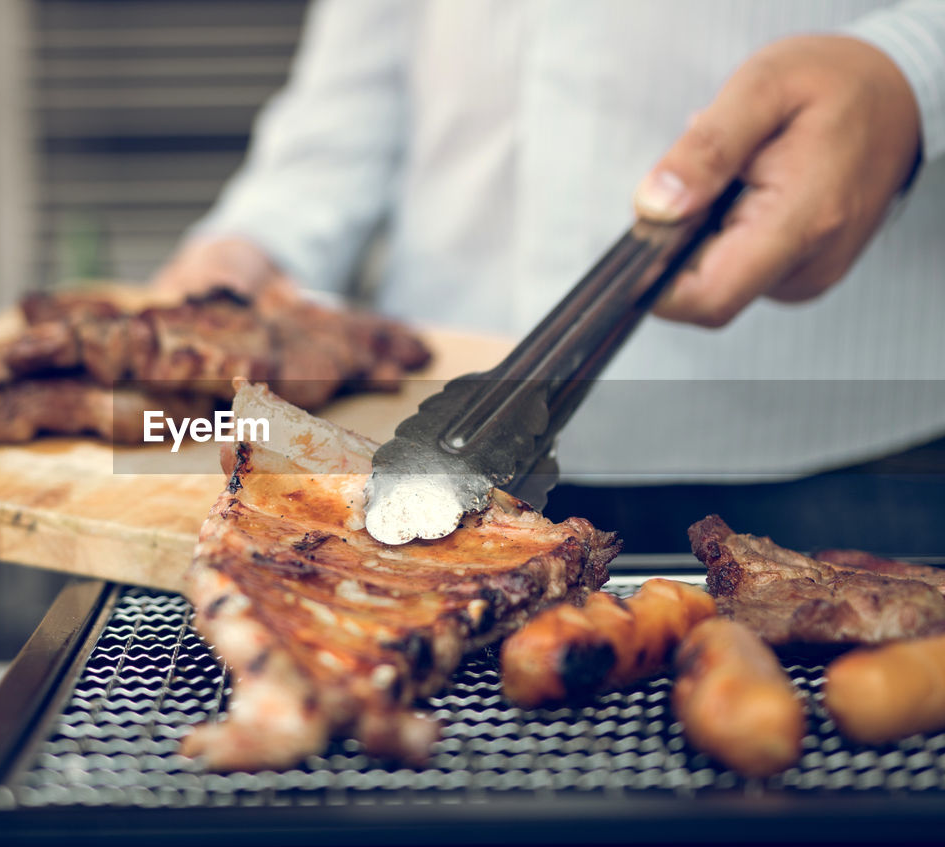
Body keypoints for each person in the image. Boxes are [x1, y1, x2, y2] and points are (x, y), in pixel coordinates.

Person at [150, 1, 945, 538]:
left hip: (845, 461)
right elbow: (360, 80)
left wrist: (910, 74)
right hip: (412, 442)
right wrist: (255, 245)